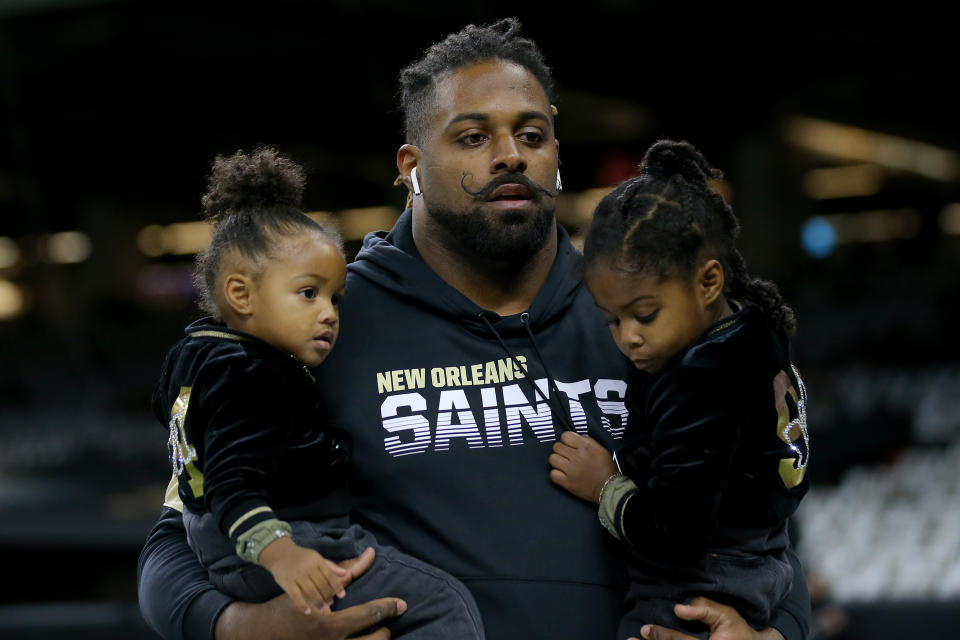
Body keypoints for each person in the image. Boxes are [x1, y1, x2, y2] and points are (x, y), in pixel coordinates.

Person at [137, 19, 812, 640]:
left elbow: (769, 537)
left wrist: (774, 634)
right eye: (472, 136)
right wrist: (246, 628)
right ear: (411, 169)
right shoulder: (317, 321)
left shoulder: (651, 314)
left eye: (531, 134)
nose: (510, 156)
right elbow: (176, 545)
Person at [152, 146, 483, 638]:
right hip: (281, 544)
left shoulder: (196, 357)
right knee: (442, 604)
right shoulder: (250, 373)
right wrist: (282, 553)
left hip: (222, 548)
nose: (328, 312)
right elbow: (232, 482)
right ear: (240, 294)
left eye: (335, 298)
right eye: (309, 293)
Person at [548, 140, 810, 639]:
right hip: (764, 557)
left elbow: (676, 531)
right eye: (612, 322)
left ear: (708, 281)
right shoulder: (755, 329)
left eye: (645, 315)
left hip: (703, 580)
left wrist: (606, 485)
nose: (629, 337)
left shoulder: (699, 379)